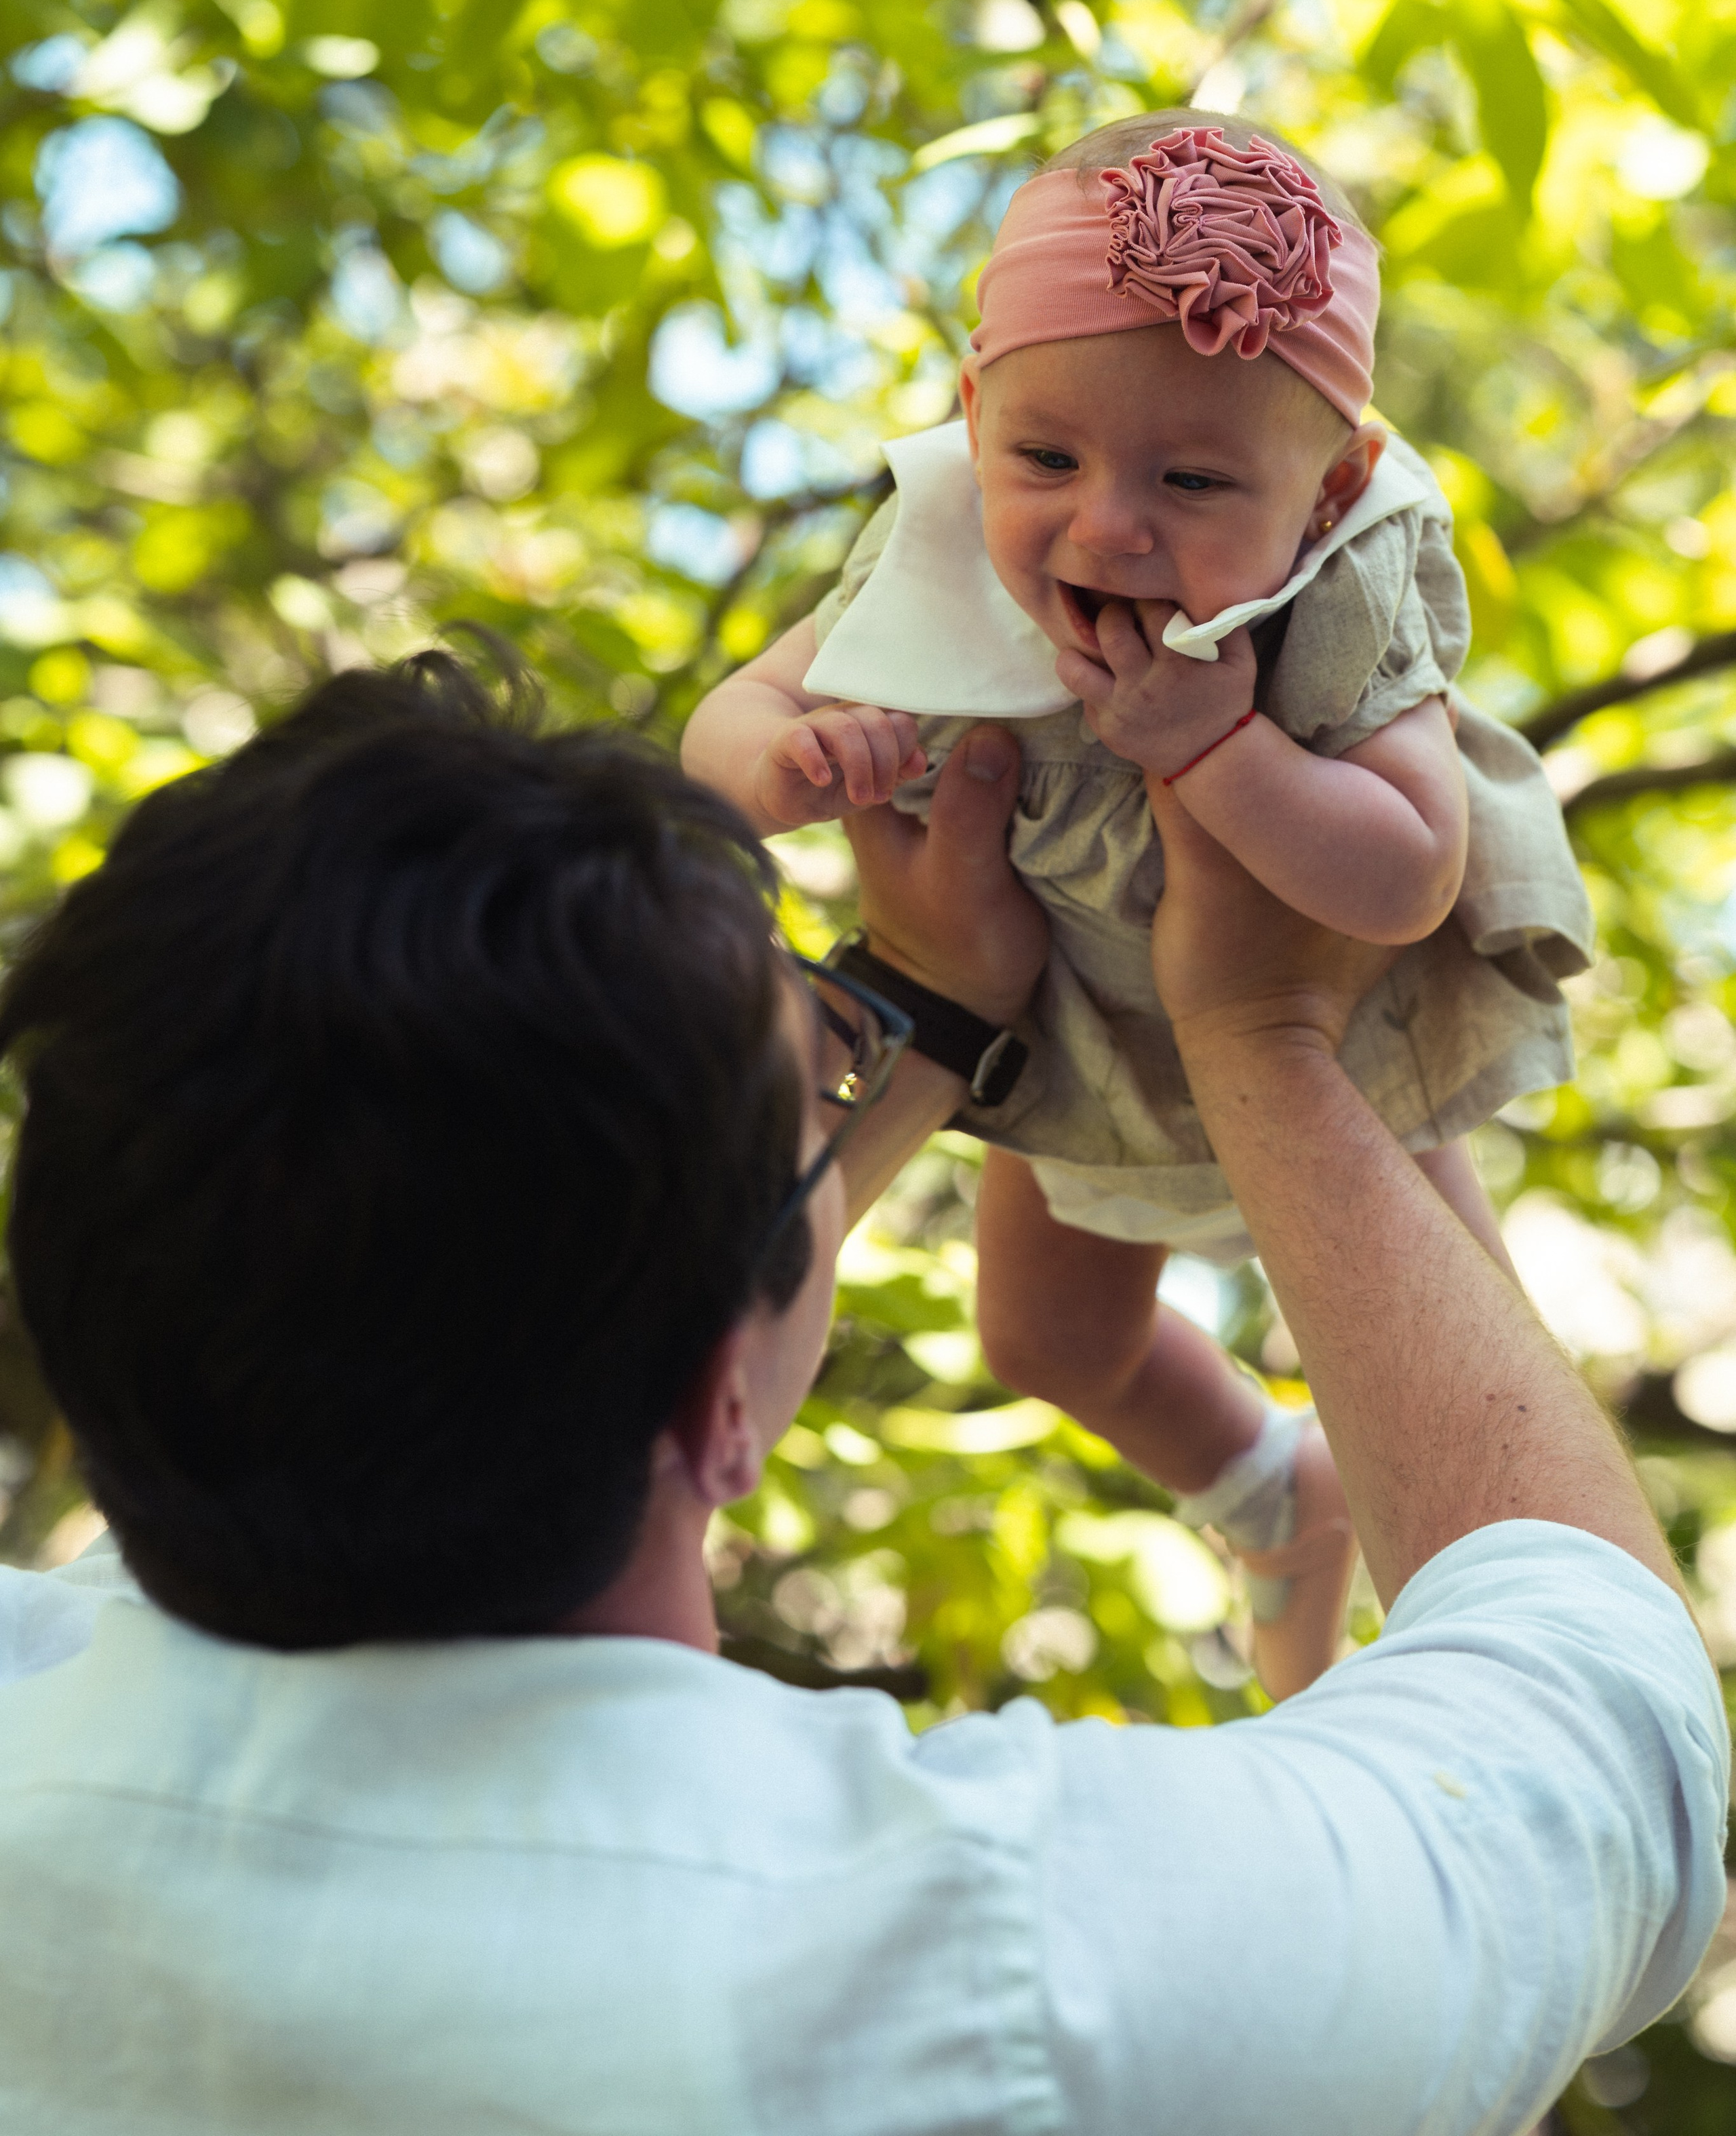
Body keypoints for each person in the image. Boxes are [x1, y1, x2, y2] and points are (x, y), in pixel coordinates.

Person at [0, 655, 1723, 2136]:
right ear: (715, 1412)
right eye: (819, 1077)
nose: (844, 1094)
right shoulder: (998, 1975)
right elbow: (1610, 1731)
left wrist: (928, 1003)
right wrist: (1264, 1031)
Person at [682, 113, 1592, 1696]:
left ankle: (1524, 1640)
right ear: (973, 416)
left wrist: (1221, 752)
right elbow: (726, 727)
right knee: (1043, 1341)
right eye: (1045, 461)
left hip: (1339, 1054)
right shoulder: (937, 548)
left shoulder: (1345, 585)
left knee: (1452, 1368)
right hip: (1077, 1038)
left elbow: (1405, 871)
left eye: (1191, 479)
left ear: (1328, 486)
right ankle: (1271, 1491)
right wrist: (788, 761)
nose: (1107, 525)